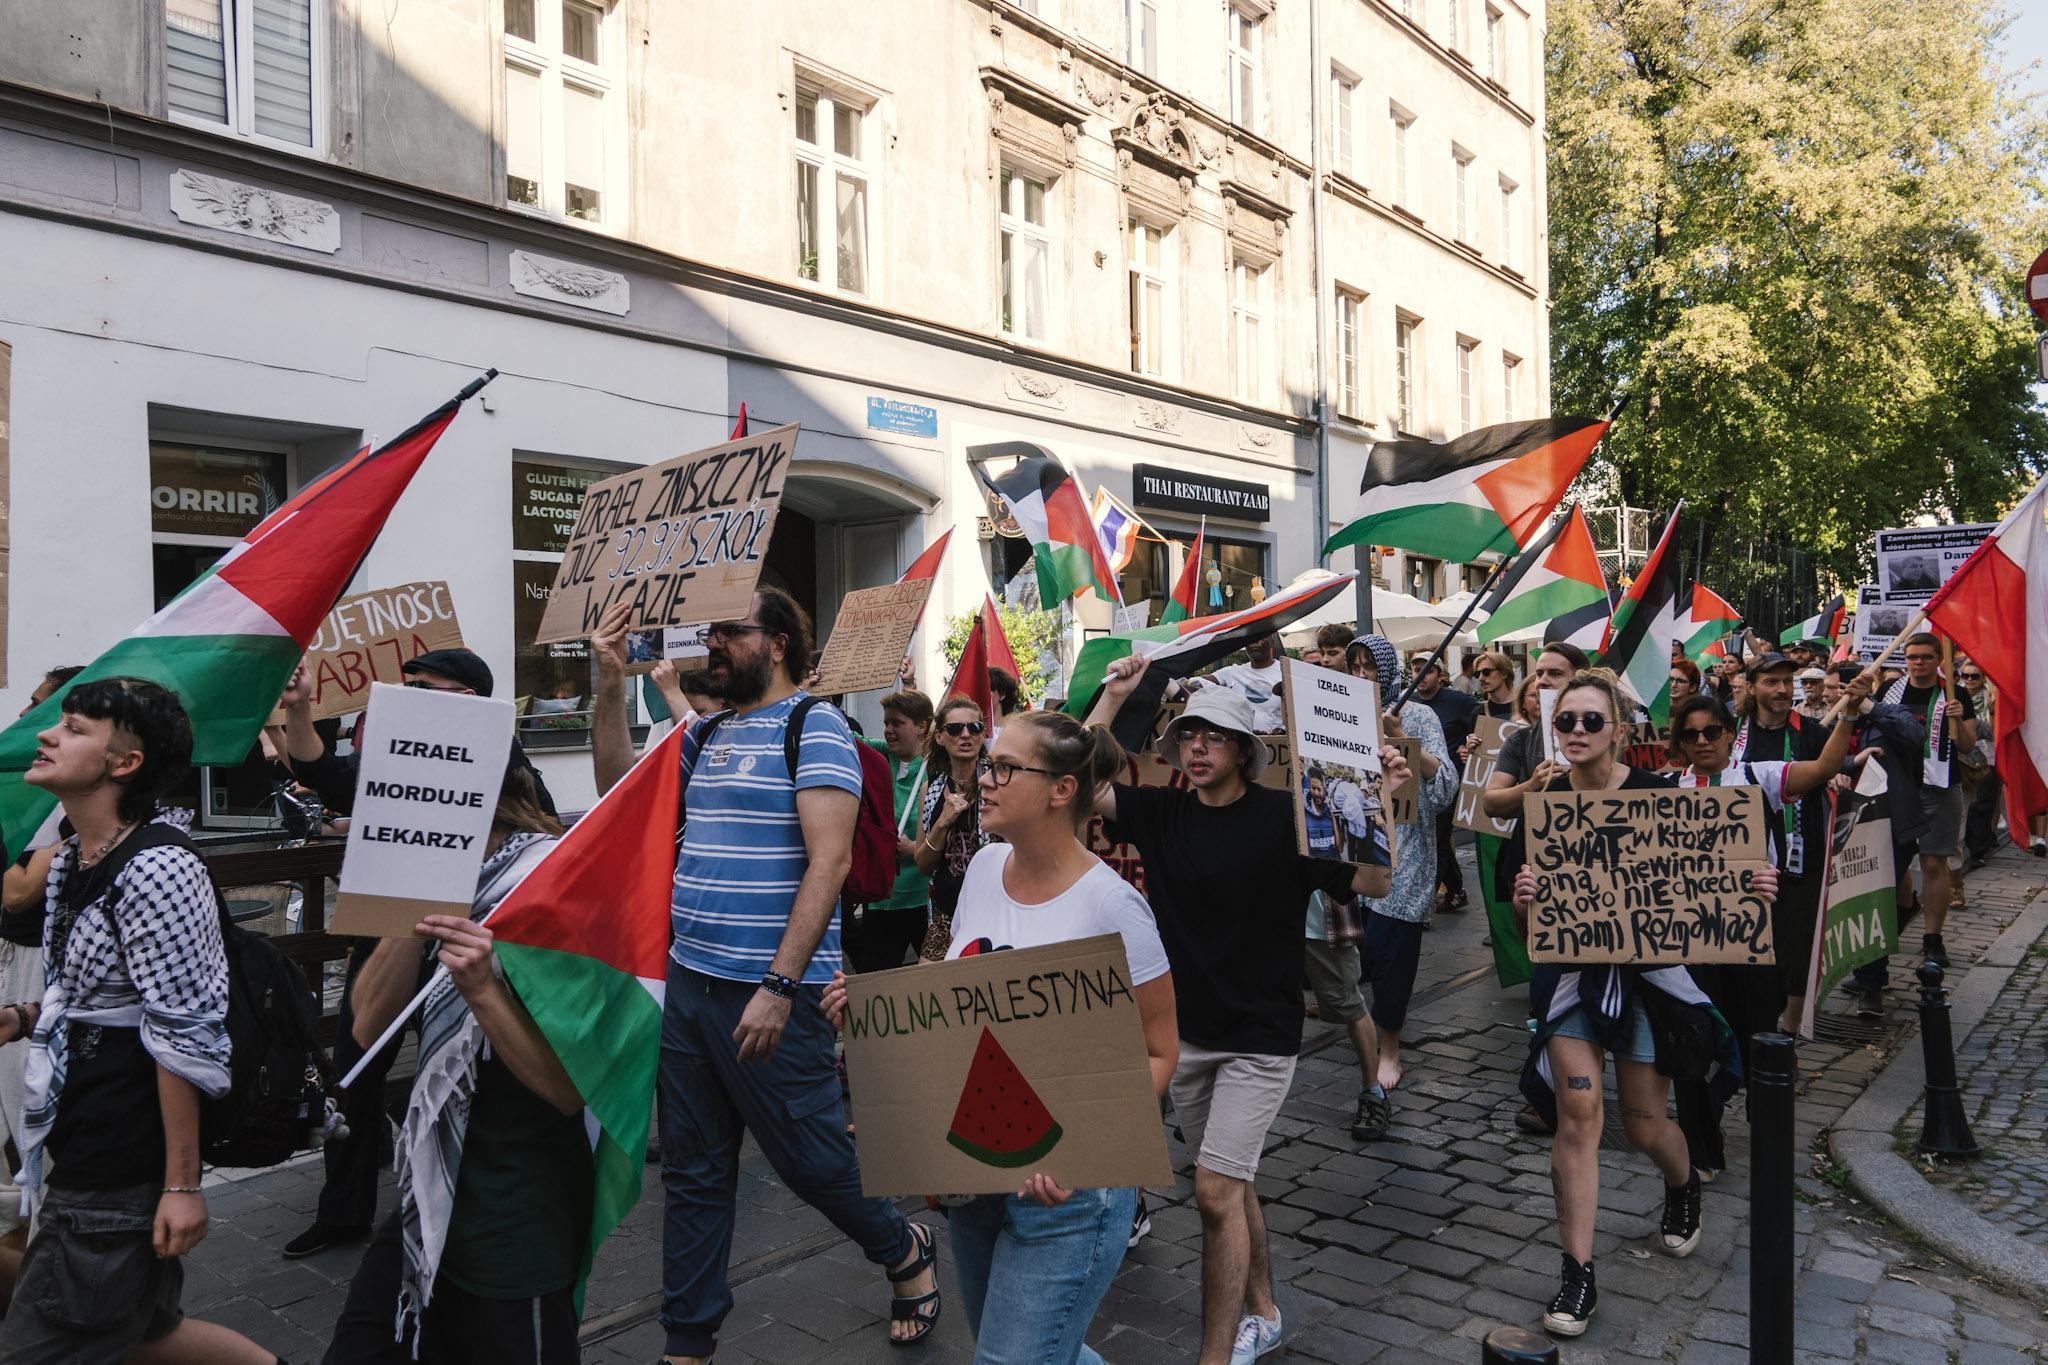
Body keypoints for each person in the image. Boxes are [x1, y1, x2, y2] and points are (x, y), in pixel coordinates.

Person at [597, 587, 938, 1361]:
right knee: (693, 1170)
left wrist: (781, 986)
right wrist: (611, 678)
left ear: (778, 642)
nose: (713, 642)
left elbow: (832, 859)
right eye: (711, 631)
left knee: (815, 1162)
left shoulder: (815, 725)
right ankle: (688, 1341)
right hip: (690, 987)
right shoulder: (707, 732)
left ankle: (903, 1248)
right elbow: (620, 785)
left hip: (771, 994)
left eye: (729, 631)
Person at [825, 711, 1178, 1364]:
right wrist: (876, 1017)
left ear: (1061, 789)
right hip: (976, 1178)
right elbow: (962, 1007)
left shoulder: (1113, 907)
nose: (984, 778)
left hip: (1071, 1195)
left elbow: (1160, 1051)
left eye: (1005, 767)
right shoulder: (984, 867)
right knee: (1037, 1351)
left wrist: (1081, 1150)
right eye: (989, 762)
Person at [1087, 658, 1411, 1365]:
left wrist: (1381, 800)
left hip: (1261, 1038)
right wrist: (1113, 695)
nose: (1196, 748)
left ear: (1242, 750)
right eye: (1186, 737)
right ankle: (1262, 1308)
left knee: (1211, 1190)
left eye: (1211, 737)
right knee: (1232, 1182)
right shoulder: (1162, 809)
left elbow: (1376, 881)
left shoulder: (1286, 816)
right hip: (1188, 1037)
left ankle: (1215, 1353)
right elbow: (1075, 779)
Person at [1, 677, 277, 1364]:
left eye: (73, 727)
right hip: (83, 1134)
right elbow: (99, 994)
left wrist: (182, 1188)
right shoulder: (75, 858)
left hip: (119, 1157)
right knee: (145, 1337)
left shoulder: (159, 867)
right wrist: (24, 1014)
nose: (46, 734)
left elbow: (183, 1033)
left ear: (124, 762)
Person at [1507, 669, 1774, 1338]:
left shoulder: (1660, 798)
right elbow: (1525, 934)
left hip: (1648, 982)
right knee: (1580, 1112)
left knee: (1644, 1120)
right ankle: (1577, 1274)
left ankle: (1683, 1184)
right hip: (1573, 983)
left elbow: (1715, 895)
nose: (1575, 732)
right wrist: (1522, 902)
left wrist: (1756, 886)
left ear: (1619, 731)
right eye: (1565, 721)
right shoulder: (1542, 807)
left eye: (1590, 721)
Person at [274, 649, 558, 1262]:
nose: (409, 696)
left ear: (467, 700)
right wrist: (298, 711)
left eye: (428, 687)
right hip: (390, 924)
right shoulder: (391, 754)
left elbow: (538, 829)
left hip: (464, 940)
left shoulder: (501, 751)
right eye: (410, 686)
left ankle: (455, 1185)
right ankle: (344, 1209)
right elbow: (327, 775)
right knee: (355, 1060)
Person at [323, 766, 585, 1363]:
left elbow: (569, 1091)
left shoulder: (549, 880)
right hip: (431, 1190)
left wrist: (484, 992)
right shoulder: (431, 877)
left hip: (517, 1210)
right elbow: (367, 1026)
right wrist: (418, 905)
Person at [1667, 686, 1862, 1175]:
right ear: (1682, 743)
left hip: (1752, 932)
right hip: (1690, 939)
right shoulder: (1666, 790)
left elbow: (1820, 769)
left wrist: (1849, 716)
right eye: (1691, 735)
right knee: (1693, 1043)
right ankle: (1702, 1149)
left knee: (1757, 1033)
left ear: (1730, 735)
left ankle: (1766, 1126)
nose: (1703, 741)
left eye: (1711, 731)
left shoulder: (1759, 776)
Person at [1338, 635, 1458, 1129]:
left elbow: (1446, 786)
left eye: (1371, 666)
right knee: (1353, 959)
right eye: (1356, 666)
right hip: (1352, 854)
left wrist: (1403, 741)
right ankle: (1364, 1033)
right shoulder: (1340, 711)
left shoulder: (1419, 716)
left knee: (1393, 960)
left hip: (1404, 858)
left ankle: (1390, 1044)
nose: (1363, 674)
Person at [1728, 652, 1844, 1033]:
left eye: (1786, 682)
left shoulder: (1810, 734)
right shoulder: (1728, 731)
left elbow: (1834, 765)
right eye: (1771, 682)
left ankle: (1789, 1030)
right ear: (1751, 687)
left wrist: (1840, 775)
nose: (1782, 690)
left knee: (1795, 947)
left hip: (1797, 859)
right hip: (1740, 857)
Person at [1879, 634, 1976, 968]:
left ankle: (1933, 939)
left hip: (1940, 788)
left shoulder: (1956, 693)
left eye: (1925, 657)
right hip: (1896, 788)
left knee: (1934, 863)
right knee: (1894, 862)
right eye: (1912, 657)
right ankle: (1905, 908)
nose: (1918, 663)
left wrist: (1957, 718)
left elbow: (1967, 745)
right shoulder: (1889, 692)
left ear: (1939, 660)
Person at [846, 689, 934, 973]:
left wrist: (916, 849)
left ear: (922, 727)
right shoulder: (883, 758)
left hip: (922, 900)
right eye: (886, 723)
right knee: (875, 985)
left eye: (897, 723)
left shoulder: (936, 768)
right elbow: (848, 738)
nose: (888, 730)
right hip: (881, 900)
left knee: (936, 980)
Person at [912, 695, 992, 959]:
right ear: (939, 737)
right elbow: (924, 864)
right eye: (956, 729)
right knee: (932, 991)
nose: (966, 735)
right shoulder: (931, 790)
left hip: (991, 912)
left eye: (975, 727)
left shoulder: (998, 783)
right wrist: (943, 821)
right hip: (945, 915)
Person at [1409, 650, 1479, 916]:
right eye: (1416, 670)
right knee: (1438, 841)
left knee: (1436, 841)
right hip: (1415, 786)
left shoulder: (1458, 701)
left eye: (1427, 670)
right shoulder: (1409, 702)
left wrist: (1470, 743)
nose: (1421, 676)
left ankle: (1423, 907)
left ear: (1440, 675)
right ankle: (1457, 890)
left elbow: (1482, 716)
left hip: (1448, 784)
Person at [1957, 658, 2000, 889]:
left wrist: (1991, 711)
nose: (1970, 680)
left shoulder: (1989, 699)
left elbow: (1993, 732)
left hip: (1985, 759)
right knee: (1965, 806)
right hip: (1960, 759)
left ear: (1983, 679)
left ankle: (1977, 850)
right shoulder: (1956, 696)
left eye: (1975, 676)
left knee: (1983, 804)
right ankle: (1965, 847)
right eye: (1966, 676)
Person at [1203, 632, 1285, 734]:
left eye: (1260, 638)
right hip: (1244, 743)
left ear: (1272, 643)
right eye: (1250, 640)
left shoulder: (1285, 673)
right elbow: (1197, 682)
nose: (1254, 643)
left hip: (1276, 744)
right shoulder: (1233, 672)